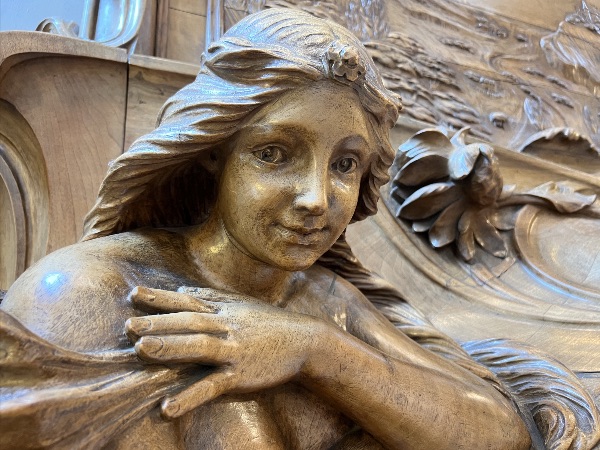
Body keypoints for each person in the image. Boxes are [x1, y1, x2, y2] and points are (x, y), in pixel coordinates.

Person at [1, 8, 531, 449]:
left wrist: (316, 350)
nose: (316, 199)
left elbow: (502, 433)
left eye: (345, 164)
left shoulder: (327, 300)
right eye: (274, 154)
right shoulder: (86, 294)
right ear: (213, 151)